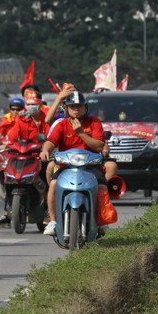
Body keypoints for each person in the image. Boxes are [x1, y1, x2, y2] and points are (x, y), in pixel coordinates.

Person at [39, 90, 107, 237]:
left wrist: (81, 132)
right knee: (53, 185)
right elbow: (50, 142)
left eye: (79, 106)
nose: (76, 109)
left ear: (85, 107)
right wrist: (45, 150)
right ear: (67, 108)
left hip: (90, 165)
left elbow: (99, 146)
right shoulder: (61, 125)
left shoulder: (94, 122)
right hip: (67, 165)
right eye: (73, 106)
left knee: (101, 186)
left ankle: (101, 220)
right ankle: (53, 220)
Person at [0, 91, 50, 228]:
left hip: (41, 156)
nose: (31, 107)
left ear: (40, 104)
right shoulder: (22, 119)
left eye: (34, 104)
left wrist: (45, 149)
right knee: (9, 177)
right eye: (28, 104)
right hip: (23, 156)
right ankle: (7, 213)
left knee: (48, 176)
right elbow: (12, 137)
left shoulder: (47, 119)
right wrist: (4, 144)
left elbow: (50, 138)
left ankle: (48, 210)